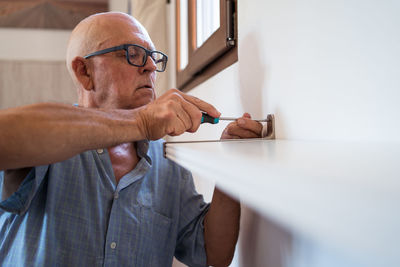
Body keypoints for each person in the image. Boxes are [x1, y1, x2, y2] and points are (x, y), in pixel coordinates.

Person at [0, 12, 262, 267]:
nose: (149, 66)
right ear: (84, 72)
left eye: (151, 57)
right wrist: (141, 121)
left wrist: (232, 160)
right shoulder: (46, 139)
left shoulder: (168, 159)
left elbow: (212, 253)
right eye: (132, 54)